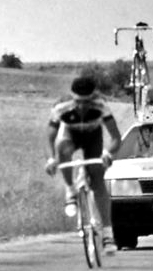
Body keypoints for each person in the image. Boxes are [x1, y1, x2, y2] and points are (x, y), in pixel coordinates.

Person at [44, 75, 122, 254]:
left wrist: (107, 153)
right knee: (62, 148)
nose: (82, 106)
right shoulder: (61, 107)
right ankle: (70, 189)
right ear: (72, 97)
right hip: (70, 134)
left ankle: (108, 235)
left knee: (97, 179)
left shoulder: (101, 106)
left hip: (92, 137)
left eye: (87, 101)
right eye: (78, 101)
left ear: (93, 97)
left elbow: (116, 137)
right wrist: (50, 160)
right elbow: (49, 138)